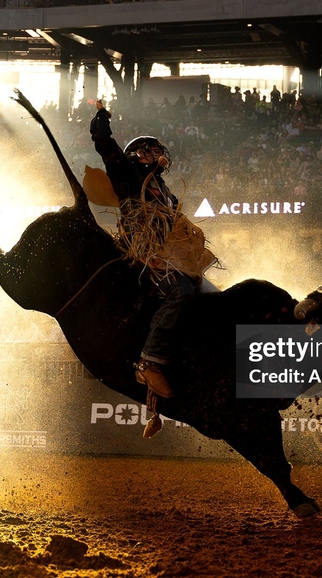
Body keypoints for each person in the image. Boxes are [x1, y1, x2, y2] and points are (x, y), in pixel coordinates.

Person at [89, 99, 215, 436]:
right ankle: (149, 361)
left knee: (209, 295)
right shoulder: (126, 175)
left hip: (170, 256)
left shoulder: (165, 191)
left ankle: (171, 386)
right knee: (180, 292)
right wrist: (101, 117)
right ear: (135, 155)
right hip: (145, 257)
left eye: (158, 150)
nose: (156, 154)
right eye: (149, 150)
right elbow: (104, 145)